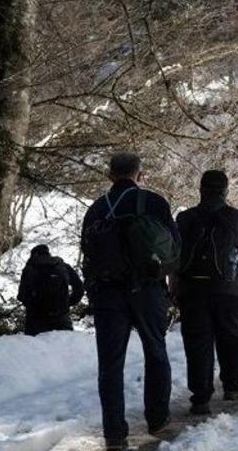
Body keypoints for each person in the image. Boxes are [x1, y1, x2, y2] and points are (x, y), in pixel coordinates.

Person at [80, 152, 180, 450]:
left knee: (110, 364)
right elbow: (174, 248)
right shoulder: (155, 202)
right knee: (156, 351)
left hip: (108, 294)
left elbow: (87, 252)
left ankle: (114, 434)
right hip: (148, 290)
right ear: (140, 174)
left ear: (110, 175)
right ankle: (158, 419)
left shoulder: (97, 208)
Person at [173, 170, 238, 416]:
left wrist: (173, 289)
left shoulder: (184, 219)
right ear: (226, 191)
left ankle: (200, 398)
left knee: (197, 343)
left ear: (201, 190)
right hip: (229, 290)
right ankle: (233, 387)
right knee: (231, 337)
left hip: (192, 290)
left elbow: (174, 257)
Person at [17, 244, 84, 336]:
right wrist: (67, 303)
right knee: (66, 346)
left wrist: (31, 305)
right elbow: (79, 288)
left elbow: (22, 295)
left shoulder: (30, 268)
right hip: (61, 317)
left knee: (35, 348)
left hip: (36, 319)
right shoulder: (63, 267)